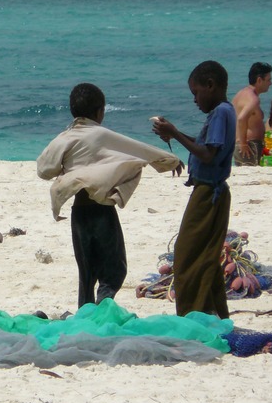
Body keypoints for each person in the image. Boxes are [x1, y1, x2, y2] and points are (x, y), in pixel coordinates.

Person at [37, 83, 182, 308]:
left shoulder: (64, 138)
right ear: (100, 112)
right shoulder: (101, 135)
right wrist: (169, 160)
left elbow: (44, 169)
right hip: (102, 211)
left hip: (79, 213)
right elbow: (137, 149)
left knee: (86, 274)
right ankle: (103, 308)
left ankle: (86, 315)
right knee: (114, 271)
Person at [152, 60, 235, 319]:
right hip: (211, 192)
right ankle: (213, 313)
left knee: (186, 256)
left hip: (208, 193)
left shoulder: (221, 112)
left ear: (210, 86)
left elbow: (208, 154)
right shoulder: (223, 111)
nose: (195, 100)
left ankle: (192, 314)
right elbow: (205, 144)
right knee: (205, 256)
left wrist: (174, 133)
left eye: (196, 93)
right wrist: (174, 135)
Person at [232, 62, 272, 166]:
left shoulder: (240, 94)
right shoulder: (253, 99)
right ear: (259, 80)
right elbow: (241, 119)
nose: (270, 83)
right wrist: (243, 143)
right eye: (268, 80)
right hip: (250, 146)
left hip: (243, 145)